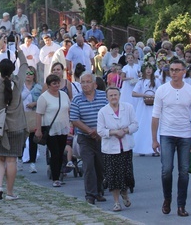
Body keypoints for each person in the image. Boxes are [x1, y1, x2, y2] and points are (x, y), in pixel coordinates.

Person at [151, 59, 191, 217]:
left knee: (184, 171)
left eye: (177, 70)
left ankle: (181, 205)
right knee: (166, 170)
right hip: (166, 134)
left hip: (185, 135)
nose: (174, 73)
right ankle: (167, 199)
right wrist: (154, 139)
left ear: (184, 71)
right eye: (171, 69)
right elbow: (155, 116)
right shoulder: (162, 90)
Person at [0, 37, 27, 201]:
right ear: (12, 71)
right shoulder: (17, 82)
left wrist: (0, 47)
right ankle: (10, 192)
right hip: (16, 126)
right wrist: (18, 48)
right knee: (12, 160)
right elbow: (24, 65)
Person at [97, 86, 138, 212]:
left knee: (125, 174)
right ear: (107, 97)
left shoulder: (128, 108)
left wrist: (125, 130)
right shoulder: (103, 112)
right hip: (111, 149)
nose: (114, 97)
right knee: (113, 176)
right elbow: (100, 130)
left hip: (125, 148)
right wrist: (114, 132)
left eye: (115, 95)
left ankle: (124, 192)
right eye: (111, 95)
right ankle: (116, 202)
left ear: (119, 95)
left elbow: (135, 125)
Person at [70, 73, 108, 205]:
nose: (85, 85)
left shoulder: (104, 96)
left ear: (94, 84)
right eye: (83, 82)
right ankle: (90, 195)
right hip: (85, 137)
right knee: (88, 165)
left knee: (100, 165)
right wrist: (89, 130)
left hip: (102, 136)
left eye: (88, 82)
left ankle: (98, 191)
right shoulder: (77, 99)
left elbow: (110, 112)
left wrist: (99, 130)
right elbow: (74, 119)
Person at [35, 73, 71, 188]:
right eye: (54, 83)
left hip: (63, 127)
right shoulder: (44, 97)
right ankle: (55, 178)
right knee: (54, 153)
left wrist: (71, 124)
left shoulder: (64, 95)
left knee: (61, 153)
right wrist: (38, 129)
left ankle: (59, 173)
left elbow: (68, 109)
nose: (56, 85)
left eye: (58, 83)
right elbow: (38, 114)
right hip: (50, 129)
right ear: (49, 85)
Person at [132, 63, 161, 156]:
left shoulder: (156, 81)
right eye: (147, 68)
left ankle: (155, 149)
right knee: (142, 125)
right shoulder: (141, 81)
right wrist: (144, 95)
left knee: (154, 125)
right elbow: (134, 93)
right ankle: (141, 148)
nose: (148, 70)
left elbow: (161, 92)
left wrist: (154, 96)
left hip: (153, 105)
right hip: (143, 106)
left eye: (150, 68)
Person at [21, 65, 42, 173]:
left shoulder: (38, 87)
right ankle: (19, 160)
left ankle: (32, 163)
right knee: (21, 140)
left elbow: (43, 101)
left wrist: (34, 103)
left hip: (33, 115)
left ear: (34, 76)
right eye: (26, 73)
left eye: (30, 73)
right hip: (21, 115)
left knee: (33, 140)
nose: (28, 76)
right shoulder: (20, 86)